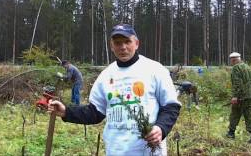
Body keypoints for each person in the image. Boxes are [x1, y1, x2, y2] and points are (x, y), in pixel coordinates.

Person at [49, 23, 181, 155]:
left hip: (148, 151)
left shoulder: (154, 70)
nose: (123, 47)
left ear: (136, 43)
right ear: (111, 46)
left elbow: (171, 106)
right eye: (117, 43)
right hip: (116, 151)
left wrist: (160, 128)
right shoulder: (105, 76)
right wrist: (66, 111)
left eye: (127, 41)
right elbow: (95, 112)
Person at [226, 52, 251, 145]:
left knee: (237, 114)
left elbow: (237, 83)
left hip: (242, 96)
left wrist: (235, 96)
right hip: (250, 95)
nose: (231, 62)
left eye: (231, 60)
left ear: (234, 60)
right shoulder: (247, 67)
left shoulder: (236, 68)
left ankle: (232, 134)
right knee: (246, 114)